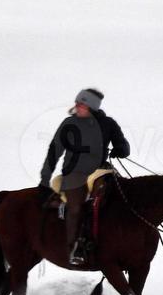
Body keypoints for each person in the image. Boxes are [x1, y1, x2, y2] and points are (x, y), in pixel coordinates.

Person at [38, 88, 130, 265]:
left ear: (92, 107)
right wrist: (44, 178)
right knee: (76, 207)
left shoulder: (108, 124)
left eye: (81, 105)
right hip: (75, 173)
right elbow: (54, 151)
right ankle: (74, 248)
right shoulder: (69, 123)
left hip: (101, 172)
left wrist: (121, 149)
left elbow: (124, 148)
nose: (77, 107)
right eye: (77, 104)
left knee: (119, 201)